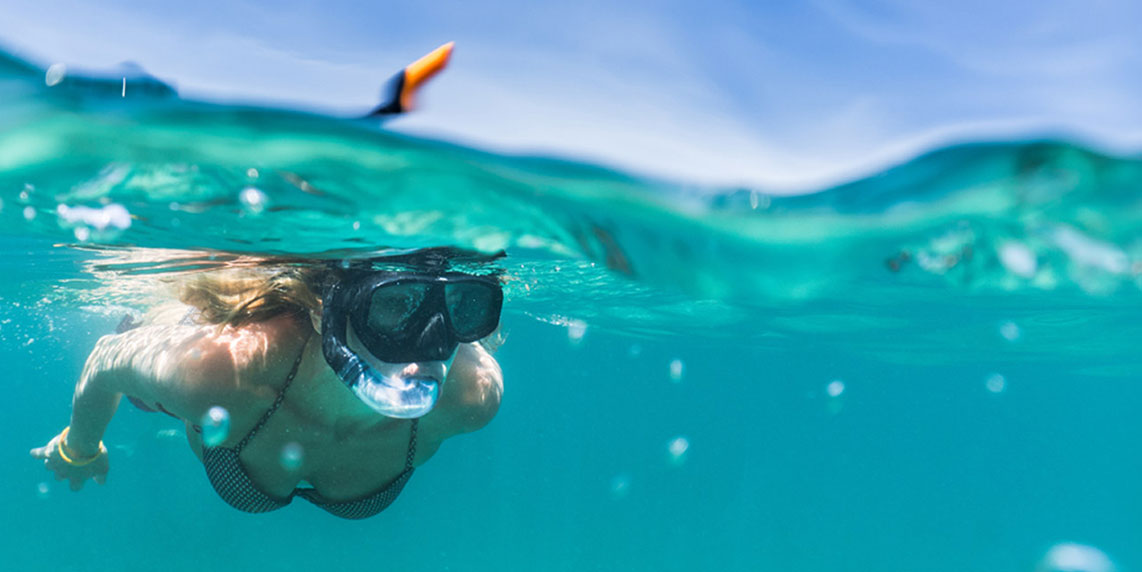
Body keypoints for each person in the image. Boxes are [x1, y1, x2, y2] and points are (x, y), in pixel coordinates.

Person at [31, 248, 505, 519]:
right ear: (324, 311)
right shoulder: (221, 371)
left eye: (464, 309)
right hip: (217, 355)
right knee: (152, 384)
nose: (433, 342)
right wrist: (80, 446)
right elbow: (104, 359)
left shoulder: (471, 396)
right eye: (393, 306)